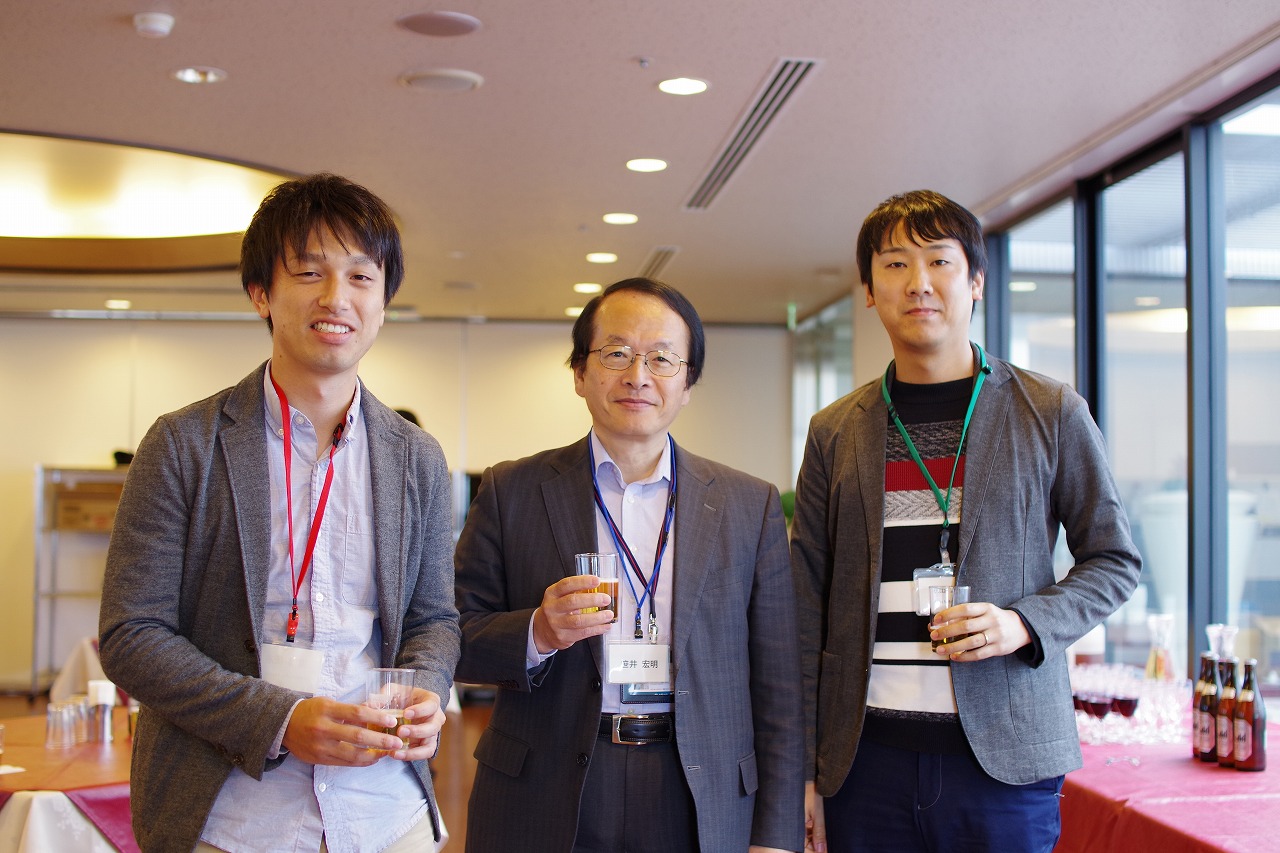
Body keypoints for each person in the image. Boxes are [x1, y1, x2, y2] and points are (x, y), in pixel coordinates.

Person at [98, 173, 460, 853]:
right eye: (309, 272)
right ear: (261, 293)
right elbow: (131, 633)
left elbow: (433, 618)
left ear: (383, 301)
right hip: (230, 814)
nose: (337, 297)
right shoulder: (184, 443)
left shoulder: (417, 457)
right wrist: (280, 719)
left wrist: (426, 688)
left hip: (384, 812)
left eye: (361, 276)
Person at [790, 190, 1141, 853]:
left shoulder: (1049, 410)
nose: (918, 282)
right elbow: (805, 603)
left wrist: (1024, 622)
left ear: (975, 279)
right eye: (895, 264)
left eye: (939, 261)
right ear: (869, 290)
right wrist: (805, 770)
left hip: (1004, 764)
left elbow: (1114, 560)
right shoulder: (834, 430)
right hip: (863, 764)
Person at [454, 277, 805, 853]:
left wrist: (776, 836)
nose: (638, 375)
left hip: (699, 789)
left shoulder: (749, 504)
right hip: (545, 785)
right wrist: (538, 632)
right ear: (579, 373)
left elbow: (779, 685)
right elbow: (455, 636)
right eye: (616, 353)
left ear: (687, 383)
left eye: (662, 358)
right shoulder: (510, 490)